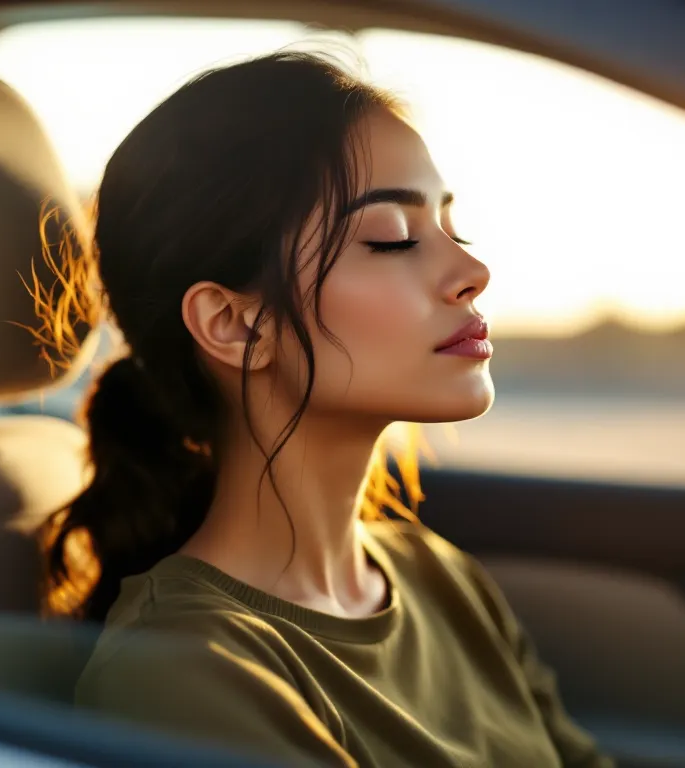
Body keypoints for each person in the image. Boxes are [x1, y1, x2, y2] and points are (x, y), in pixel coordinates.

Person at [39, 50, 613, 767]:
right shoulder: (184, 670)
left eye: (450, 228)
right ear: (234, 323)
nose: (473, 272)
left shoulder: (438, 576)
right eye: (394, 239)